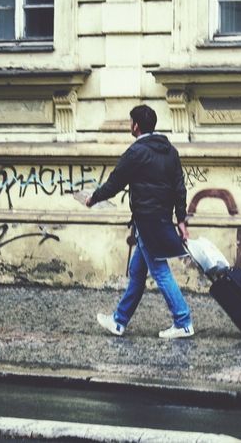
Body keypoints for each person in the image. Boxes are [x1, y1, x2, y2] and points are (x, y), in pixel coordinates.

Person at [89, 104, 194, 339]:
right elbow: (180, 188)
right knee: (137, 272)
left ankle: (183, 321)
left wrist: (93, 198)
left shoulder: (136, 152)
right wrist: (181, 220)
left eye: (130, 122)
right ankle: (119, 321)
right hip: (161, 219)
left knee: (160, 272)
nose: (130, 126)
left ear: (135, 125)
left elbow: (115, 183)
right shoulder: (170, 151)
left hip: (147, 222)